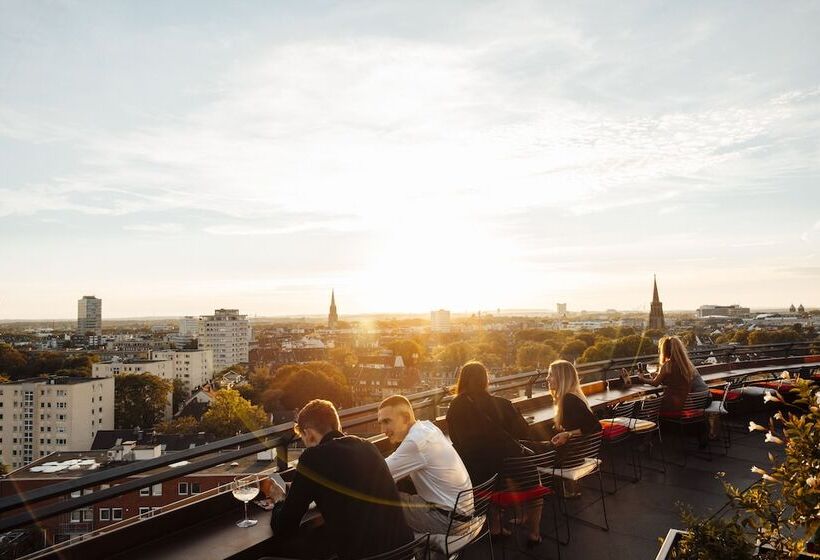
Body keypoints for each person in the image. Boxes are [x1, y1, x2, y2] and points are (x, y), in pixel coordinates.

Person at [265, 399, 413, 560]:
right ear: (338, 426)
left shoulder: (312, 458)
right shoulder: (367, 446)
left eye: (303, 438)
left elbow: (285, 527)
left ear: (309, 434)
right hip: (406, 552)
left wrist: (279, 499)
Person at [446, 361, 544, 545]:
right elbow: (523, 432)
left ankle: (497, 528)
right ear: (486, 381)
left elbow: (456, 440)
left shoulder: (455, 407)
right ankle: (534, 533)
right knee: (534, 485)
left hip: (478, 476)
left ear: (462, 380)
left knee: (492, 480)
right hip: (511, 466)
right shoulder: (502, 404)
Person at [378, 394, 474, 549]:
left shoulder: (415, 443)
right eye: (380, 423)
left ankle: (422, 542)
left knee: (378, 501)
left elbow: (375, 473)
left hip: (448, 522)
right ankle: (423, 543)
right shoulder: (427, 427)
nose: (383, 430)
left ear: (406, 418)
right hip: (462, 515)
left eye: (387, 421)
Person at [637, 336, 708, 411]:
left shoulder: (668, 365)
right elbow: (676, 381)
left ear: (665, 351)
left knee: (646, 402)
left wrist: (642, 378)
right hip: (694, 402)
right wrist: (660, 376)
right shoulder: (686, 364)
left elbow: (655, 383)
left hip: (676, 406)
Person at [547, 359, 602, 448]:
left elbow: (596, 426)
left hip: (571, 453)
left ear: (562, 378)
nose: (547, 378)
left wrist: (568, 434)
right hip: (578, 450)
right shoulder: (572, 396)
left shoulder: (569, 399)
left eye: (551, 375)